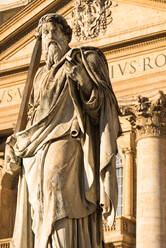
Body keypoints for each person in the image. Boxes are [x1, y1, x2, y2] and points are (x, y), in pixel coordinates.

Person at [5, 13, 121, 248]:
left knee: (56, 182)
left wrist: (83, 81)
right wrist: (18, 142)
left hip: (68, 136)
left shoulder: (85, 60)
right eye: (45, 33)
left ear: (67, 35)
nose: (50, 38)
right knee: (37, 198)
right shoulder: (40, 76)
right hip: (38, 144)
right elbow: (34, 115)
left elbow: (103, 106)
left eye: (55, 32)